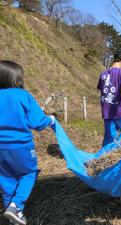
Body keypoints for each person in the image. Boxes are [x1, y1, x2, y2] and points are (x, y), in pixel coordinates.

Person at [0, 60, 55, 225]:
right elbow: (38, 122)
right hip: (20, 146)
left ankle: (13, 217)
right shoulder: (22, 95)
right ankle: (16, 206)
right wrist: (50, 120)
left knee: (6, 179)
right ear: (16, 79)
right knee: (28, 173)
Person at [97, 51, 121, 146]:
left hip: (107, 112)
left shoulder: (103, 74)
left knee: (109, 138)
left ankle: (103, 157)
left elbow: (102, 90)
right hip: (120, 110)